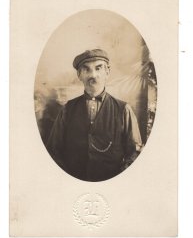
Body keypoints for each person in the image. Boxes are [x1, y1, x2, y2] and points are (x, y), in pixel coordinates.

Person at [47, 49, 142, 182]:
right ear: (79, 75)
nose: (93, 75)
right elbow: (53, 150)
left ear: (107, 72)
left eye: (98, 68)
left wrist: (118, 180)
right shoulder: (67, 109)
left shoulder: (124, 110)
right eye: (86, 69)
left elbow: (135, 153)